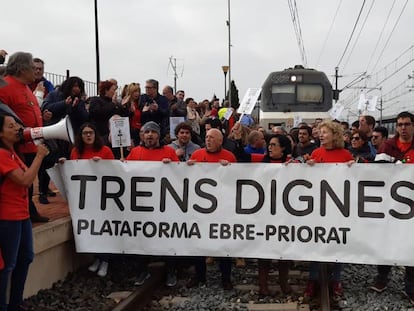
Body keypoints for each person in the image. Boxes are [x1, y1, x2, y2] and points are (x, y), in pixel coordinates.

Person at [0, 113, 49, 311]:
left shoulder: (13, 153)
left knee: (26, 257)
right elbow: (24, 180)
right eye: (11, 126)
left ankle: (16, 302)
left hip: (21, 215)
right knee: (7, 264)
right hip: (7, 216)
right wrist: (39, 156)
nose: (17, 129)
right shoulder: (2, 155)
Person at [304, 120, 354, 300]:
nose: (321, 135)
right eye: (320, 132)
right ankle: (313, 279)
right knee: (317, 243)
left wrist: (352, 168)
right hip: (318, 208)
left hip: (339, 208)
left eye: (325, 132)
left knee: (338, 243)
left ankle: (336, 280)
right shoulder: (315, 153)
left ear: (335, 135)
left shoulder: (345, 154)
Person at [126, 121, 179, 287]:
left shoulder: (169, 152)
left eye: (153, 132)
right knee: (141, 239)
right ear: (142, 135)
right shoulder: (135, 152)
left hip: (166, 204)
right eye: (146, 132)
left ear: (158, 135)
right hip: (143, 205)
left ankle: (171, 271)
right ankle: (141, 271)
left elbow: (182, 174)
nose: (149, 135)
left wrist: (173, 166)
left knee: (168, 238)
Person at [370, 111, 414, 304]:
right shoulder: (388, 146)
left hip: (412, 208)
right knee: (386, 242)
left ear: (413, 126)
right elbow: (378, 174)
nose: (403, 128)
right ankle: (382, 278)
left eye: (406, 124)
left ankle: (410, 288)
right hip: (391, 206)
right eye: (400, 124)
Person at [0, 51, 49, 222]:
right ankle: (27, 212)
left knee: (29, 179)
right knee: (23, 180)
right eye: (31, 67)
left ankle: (28, 210)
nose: (34, 71)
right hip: (18, 144)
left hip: (30, 143)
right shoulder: (5, 87)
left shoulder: (26, 87)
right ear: (22, 70)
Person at [186, 128, 236, 290]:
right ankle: (199, 276)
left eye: (212, 138)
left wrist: (229, 170)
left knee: (224, 245)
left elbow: (237, 181)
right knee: (198, 244)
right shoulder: (197, 155)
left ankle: (226, 278)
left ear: (220, 141)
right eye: (207, 137)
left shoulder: (229, 157)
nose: (208, 140)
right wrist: (186, 168)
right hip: (201, 210)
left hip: (222, 210)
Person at [68, 123, 114, 277]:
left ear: (96, 135)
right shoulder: (76, 152)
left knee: (103, 229)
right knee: (92, 229)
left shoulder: (105, 151)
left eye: (91, 133)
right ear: (80, 136)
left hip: (103, 197)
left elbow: (114, 171)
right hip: (85, 198)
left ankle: (105, 260)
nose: (88, 136)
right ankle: (97, 258)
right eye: (85, 133)